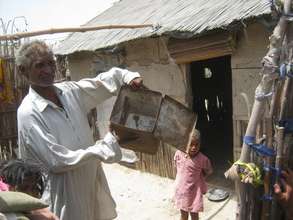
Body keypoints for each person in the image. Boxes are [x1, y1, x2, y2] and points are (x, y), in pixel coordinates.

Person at [15, 40, 143, 220]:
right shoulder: (28, 112)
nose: (49, 70)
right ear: (23, 70)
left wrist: (126, 77)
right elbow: (57, 161)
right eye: (39, 65)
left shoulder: (68, 92)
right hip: (63, 192)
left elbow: (100, 84)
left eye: (51, 63)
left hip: (88, 181)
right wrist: (108, 143)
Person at [174, 129, 213, 220]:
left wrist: (201, 177)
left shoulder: (203, 159)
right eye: (191, 144)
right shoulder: (179, 154)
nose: (194, 147)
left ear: (200, 144)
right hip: (182, 191)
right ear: (185, 142)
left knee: (194, 215)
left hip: (194, 193)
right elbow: (177, 167)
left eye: (196, 145)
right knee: (183, 215)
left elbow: (209, 170)